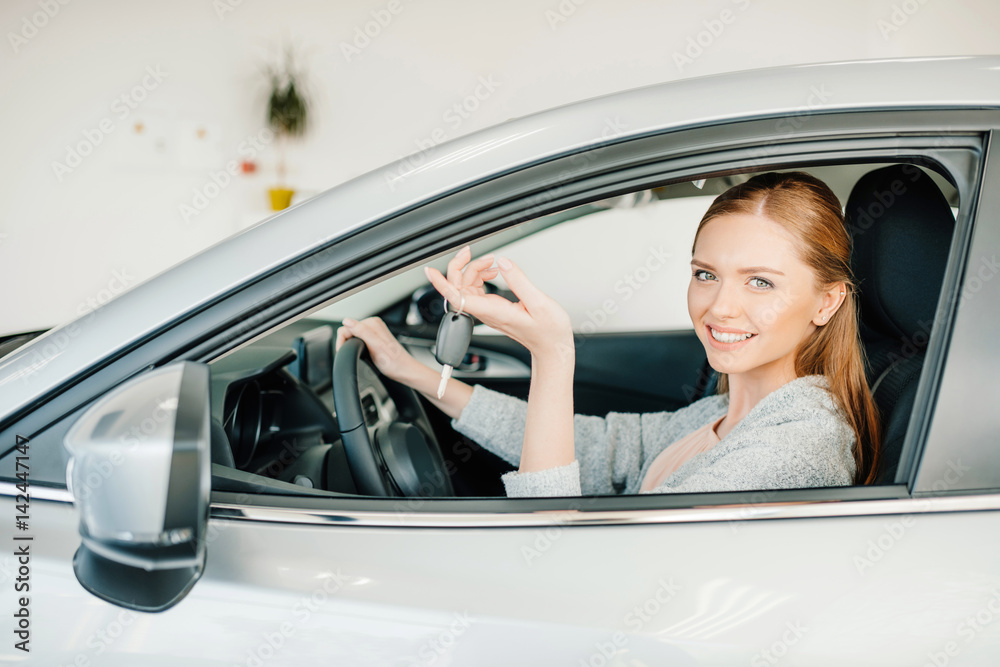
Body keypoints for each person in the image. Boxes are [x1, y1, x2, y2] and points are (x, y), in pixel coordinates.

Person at [336, 171, 882, 497]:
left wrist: (553, 353)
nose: (720, 307)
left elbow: (560, 563)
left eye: (760, 282)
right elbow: (602, 449)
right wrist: (419, 376)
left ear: (827, 301)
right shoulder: (732, 413)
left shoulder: (792, 451)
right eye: (705, 274)